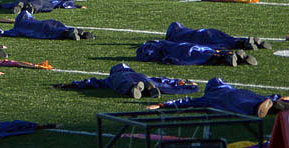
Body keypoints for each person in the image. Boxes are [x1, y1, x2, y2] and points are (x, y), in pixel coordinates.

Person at [146, 77, 289, 118]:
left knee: (239, 106)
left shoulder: (209, 97)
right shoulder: (234, 88)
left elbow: (186, 101)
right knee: (259, 99)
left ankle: (264, 108)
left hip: (230, 101)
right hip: (246, 95)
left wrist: (162, 105)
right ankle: (278, 104)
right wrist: (279, 97)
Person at [53, 63, 199, 99]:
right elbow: (163, 80)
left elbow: (91, 82)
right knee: (155, 83)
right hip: (142, 78)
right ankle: (149, 89)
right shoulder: (136, 73)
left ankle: (133, 89)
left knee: (124, 86)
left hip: (123, 80)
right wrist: (180, 83)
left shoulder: (112, 77)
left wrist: (68, 85)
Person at [136, 40, 257, 67]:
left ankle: (226, 57)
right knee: (204, 51)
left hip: (180, 51)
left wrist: (166, 60)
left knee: (199, 57)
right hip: (185, 46)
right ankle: (230, 55)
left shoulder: (149, 49)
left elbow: (151, 55)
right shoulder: (160, 43)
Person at [0, 10, 94, 40]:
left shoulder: (17, 28)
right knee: (58, 27)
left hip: (39, 28)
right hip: (48, 22)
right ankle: (80, 33)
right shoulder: (32, 20)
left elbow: (1, 32)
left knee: (53, 32)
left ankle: (68, 33)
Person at [165, 22, 272, 50]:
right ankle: (245, 41)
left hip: (202, 36)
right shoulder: (183, 32)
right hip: (208, 32)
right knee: (227, 39)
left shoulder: (178, 37)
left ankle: (243, 43)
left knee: (222, 43)